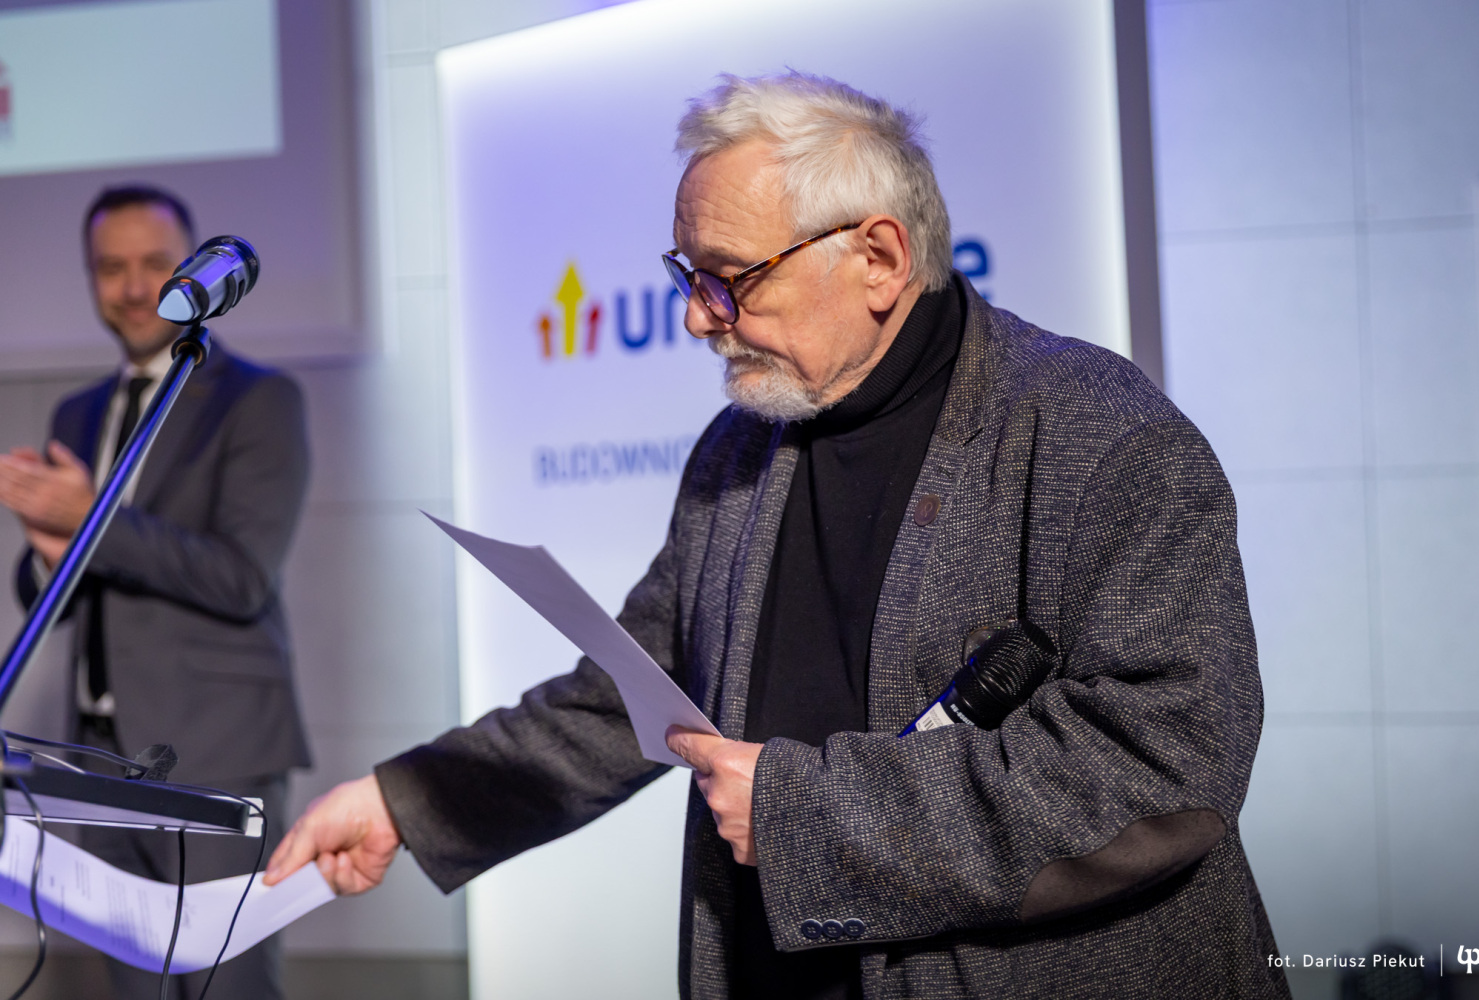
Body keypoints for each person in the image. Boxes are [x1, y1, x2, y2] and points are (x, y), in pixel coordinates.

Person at [266, 73, 1289, 999]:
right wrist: (405, 801)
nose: (697, 319)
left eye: (732, 278)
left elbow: (1167, 759)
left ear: (878, 258)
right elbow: (628, 696)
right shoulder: (740, 448)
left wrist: (805, 813)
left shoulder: (1097, 431)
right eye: (688, 277)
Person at [0, 185, 311, 1000]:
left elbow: (242, 578)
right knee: (136, 988)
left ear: (195, 270)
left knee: (227, 987)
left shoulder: (259, 400)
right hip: (100, 757)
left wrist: (88, 519)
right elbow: (54, 589)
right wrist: (49, 550)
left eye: (155, 265)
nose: (135, 288)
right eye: (111, 268)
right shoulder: (77, 411)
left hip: (217, 751)